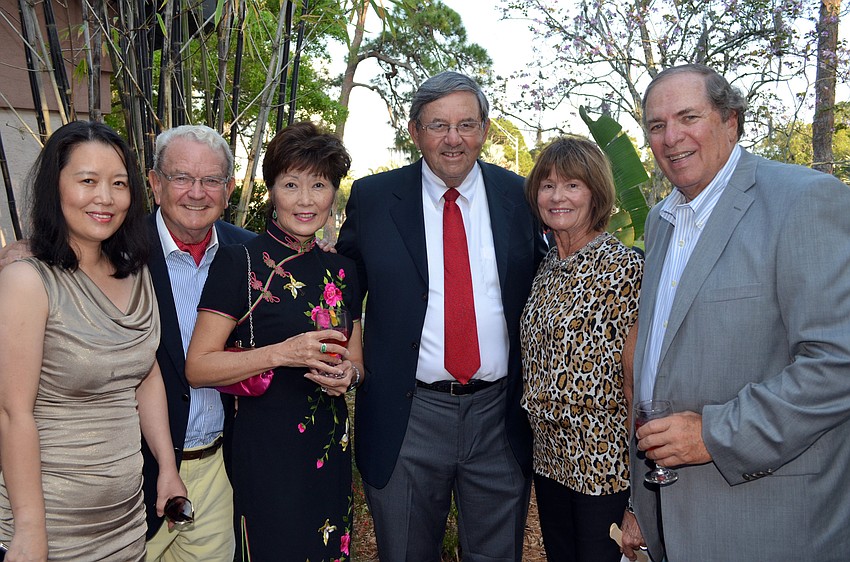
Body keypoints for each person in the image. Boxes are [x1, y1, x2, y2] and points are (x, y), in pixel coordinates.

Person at [620, 63, 850, 561]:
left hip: (768, 520)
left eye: (688, 117)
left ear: (731, 122)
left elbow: (838, 364)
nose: (671, 137)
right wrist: (641, 499)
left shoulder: (804, 201)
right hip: (672, 514)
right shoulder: (662, 220)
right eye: (656, 126)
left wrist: (714, 434)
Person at [336, 71, 545, 561]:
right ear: (414, 131)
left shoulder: (522, 196)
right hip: (408, 417)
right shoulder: (373, 199)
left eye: (466, 124)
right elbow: (342, 291)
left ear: (485, 130)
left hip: (499, 414)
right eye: (438, 125)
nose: (454, 139)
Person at [0, 120, 186, 561]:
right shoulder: (27, 282)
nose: (105, 197)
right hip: (52, 526)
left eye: (118, 183)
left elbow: (146, 376)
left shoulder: (134, 272)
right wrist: (30, 529)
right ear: (55, 188)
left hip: (125, 520)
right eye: (88, 181)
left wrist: (166, 467)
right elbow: (12, 414)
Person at [185, 121, 363, 561]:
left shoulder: (344, 269)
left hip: (329, 443)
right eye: (291, 184)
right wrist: (285, 353)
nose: (306, 200)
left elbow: (358, 361)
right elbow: (198, 366)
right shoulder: (239, 260)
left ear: (334, 191)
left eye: (319, 184)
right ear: (272, 191)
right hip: (265, 450)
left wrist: (349, 375)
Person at [520, 136, 642, 561]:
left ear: (596, 193)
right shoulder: (546, 267)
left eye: (572, 185)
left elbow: (638, 387)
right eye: (547, 185)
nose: (557, 196)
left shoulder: (625, 269)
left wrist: (639, 501)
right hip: (551, 462)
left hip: (605, 471)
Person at [143, 124, 255, 561]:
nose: (196, 192)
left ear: (228, 190)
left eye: (210, 180)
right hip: (138, 471)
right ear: (154, 183)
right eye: (181, 178)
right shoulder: (116, 251)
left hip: (219, 467)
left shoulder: (249, 254)